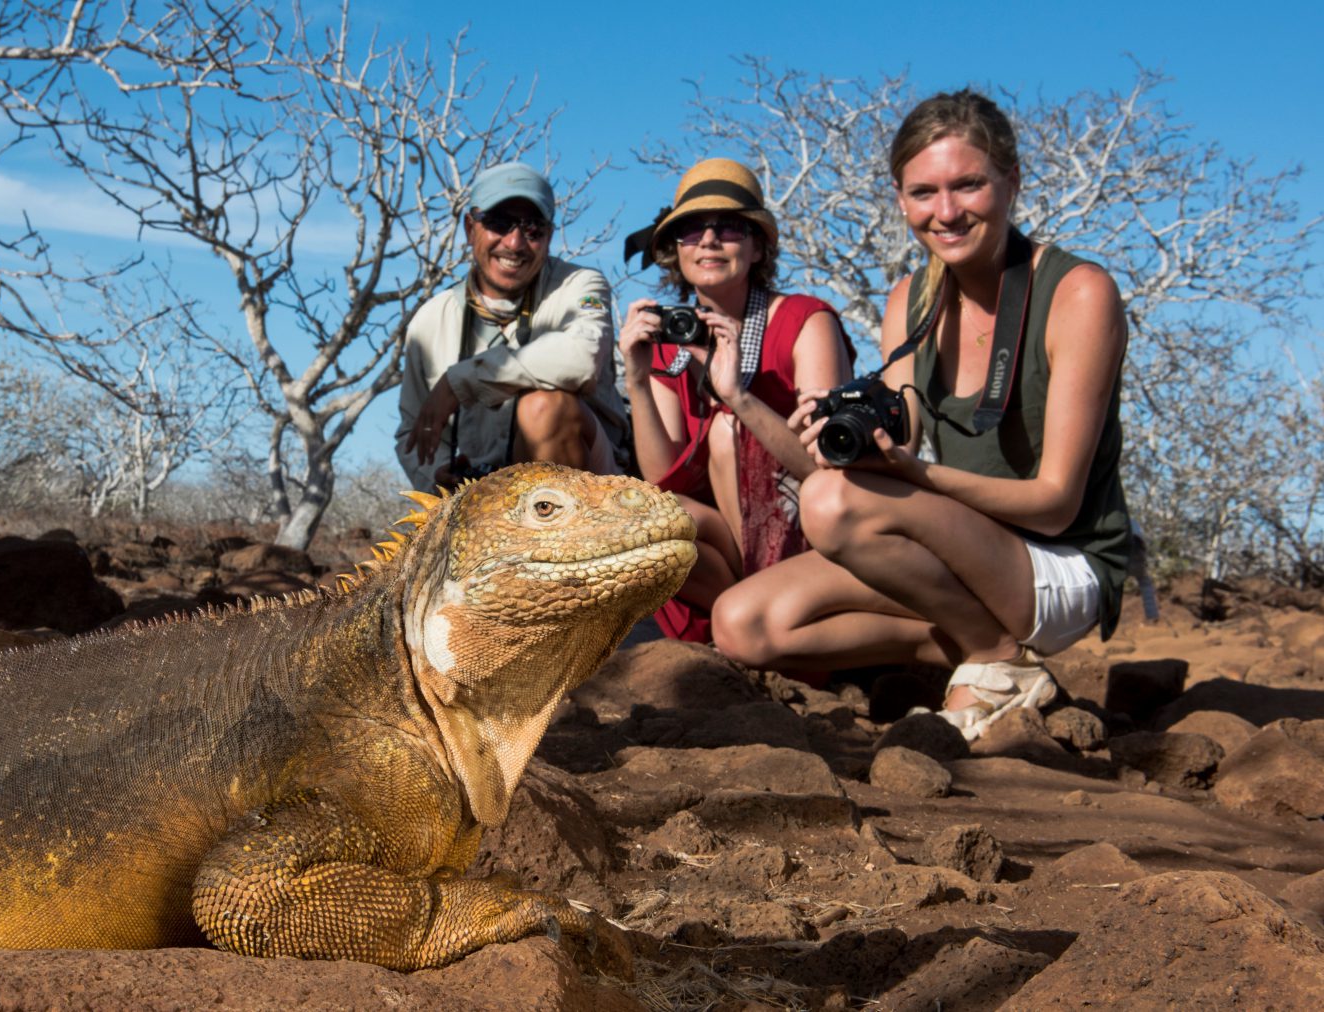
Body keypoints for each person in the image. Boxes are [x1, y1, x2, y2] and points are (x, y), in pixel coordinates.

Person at [712, 90, 1132, 741]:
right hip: (966, 548)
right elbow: (900, 423)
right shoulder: (910, 298)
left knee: (831, 505)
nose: (945, 212)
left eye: (968, 186)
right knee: (743, 622)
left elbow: (1054, 502)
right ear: (901, 198)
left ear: (1011, 182)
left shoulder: (1079, 293)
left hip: (1060, 563)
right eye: (923, 192)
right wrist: (841, 427)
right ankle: (985, 652)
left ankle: (992, 656)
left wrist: (915, 477)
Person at [617, 158, 854, 653]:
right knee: (649, 520)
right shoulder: (670, 344)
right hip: (728, 548)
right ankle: (739, 625)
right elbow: (661, 476)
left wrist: (738, 398)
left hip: (807, 535)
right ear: (672, 249)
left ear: (757, 245)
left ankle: (765, 618)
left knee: (728, 434)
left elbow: (833, 472)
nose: (708, 240)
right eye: (689, 230)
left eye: (728, 227)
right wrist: (638, 378)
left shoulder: (805, 320)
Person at [397, 162, 628, 491]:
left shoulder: (581, 285)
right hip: (488, 494)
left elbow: (582, 357)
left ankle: (561, 542)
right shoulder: (431, 318)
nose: (515, 243)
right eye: (499, 223)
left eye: (532, 228)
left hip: (596, 487)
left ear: (548, 234)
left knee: (546, 407)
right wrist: (437, 478)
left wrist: (461, 380)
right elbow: (412, 431)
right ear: (469, 227)